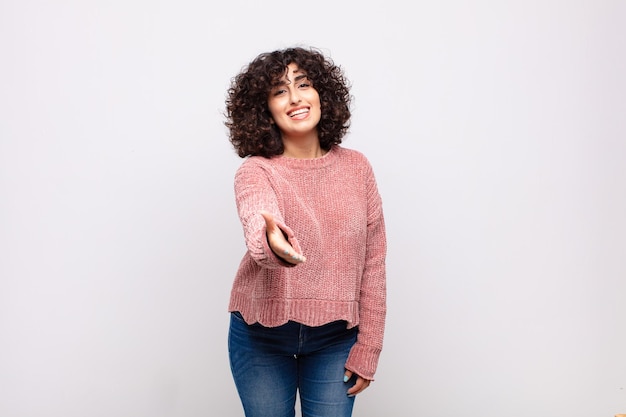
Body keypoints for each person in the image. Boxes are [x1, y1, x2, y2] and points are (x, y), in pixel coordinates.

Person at [224, 45, 387, 417]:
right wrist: (274, 244)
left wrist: (369, 347)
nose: (295, 98)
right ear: (264, 109)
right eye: (280, 91)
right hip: (260, 333)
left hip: (336, 338)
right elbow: (258, 217)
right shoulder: (256, 171)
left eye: (303, 85)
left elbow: (374, 262)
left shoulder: (358, 168)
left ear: (322, 94)